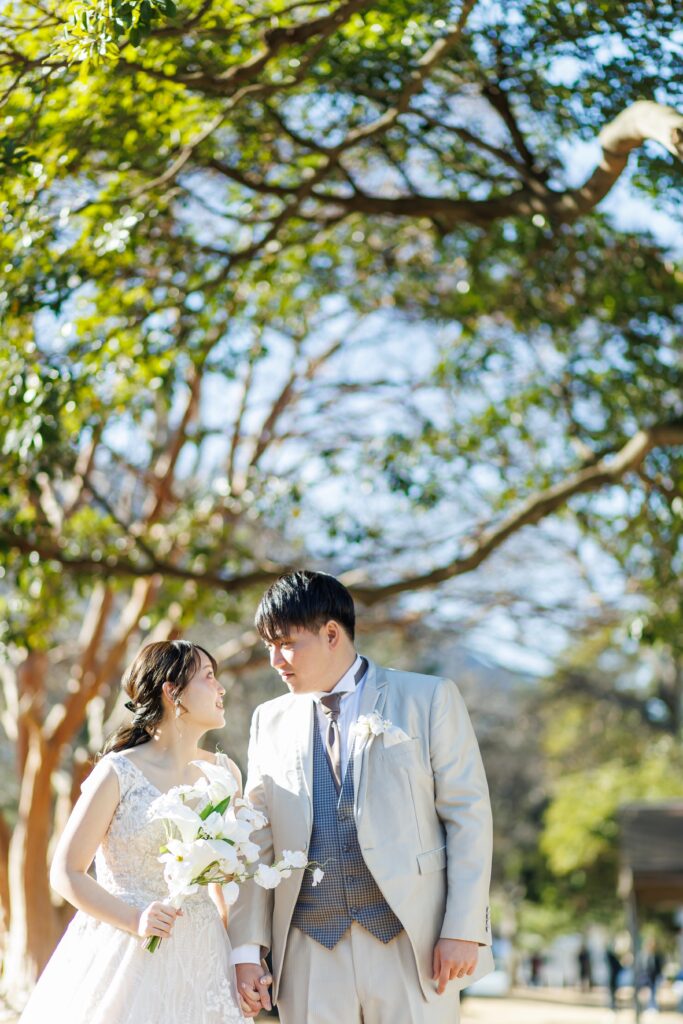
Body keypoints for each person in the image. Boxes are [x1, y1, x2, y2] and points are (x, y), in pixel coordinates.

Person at [229, 569, 494, 1023]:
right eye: (267, 645)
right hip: (309, 947)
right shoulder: (266, 721)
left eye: (286, 642)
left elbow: (468, 815)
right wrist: (247, 949)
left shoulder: (427, 698)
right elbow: (258, 840)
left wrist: (463, 928)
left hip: (412, 942)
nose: (275, 659)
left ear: (331, 633)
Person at [18, 640, 249, 1024]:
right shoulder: (117, 772)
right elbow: (66, 871)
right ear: (173, 692)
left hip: (204, 955)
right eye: (208, 677)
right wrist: (134, 919)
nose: (220, 688)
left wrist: (239, 958)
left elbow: (226, 885)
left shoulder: (226, 774)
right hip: (124, 947)